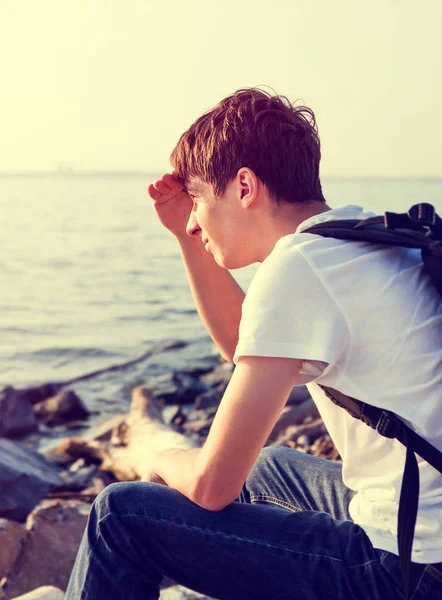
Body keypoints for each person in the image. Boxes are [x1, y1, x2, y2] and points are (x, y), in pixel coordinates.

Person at [65, 88, 442, 599]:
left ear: (244, 186)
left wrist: (167, 458)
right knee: (269, 467)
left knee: (119, 515)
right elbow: (245, 340)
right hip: (425, 527)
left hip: (408, 569)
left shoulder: (299, 268)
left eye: (197, 199)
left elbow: (210, 487)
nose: (194, 219)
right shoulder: (360, 239)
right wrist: (185, 238)